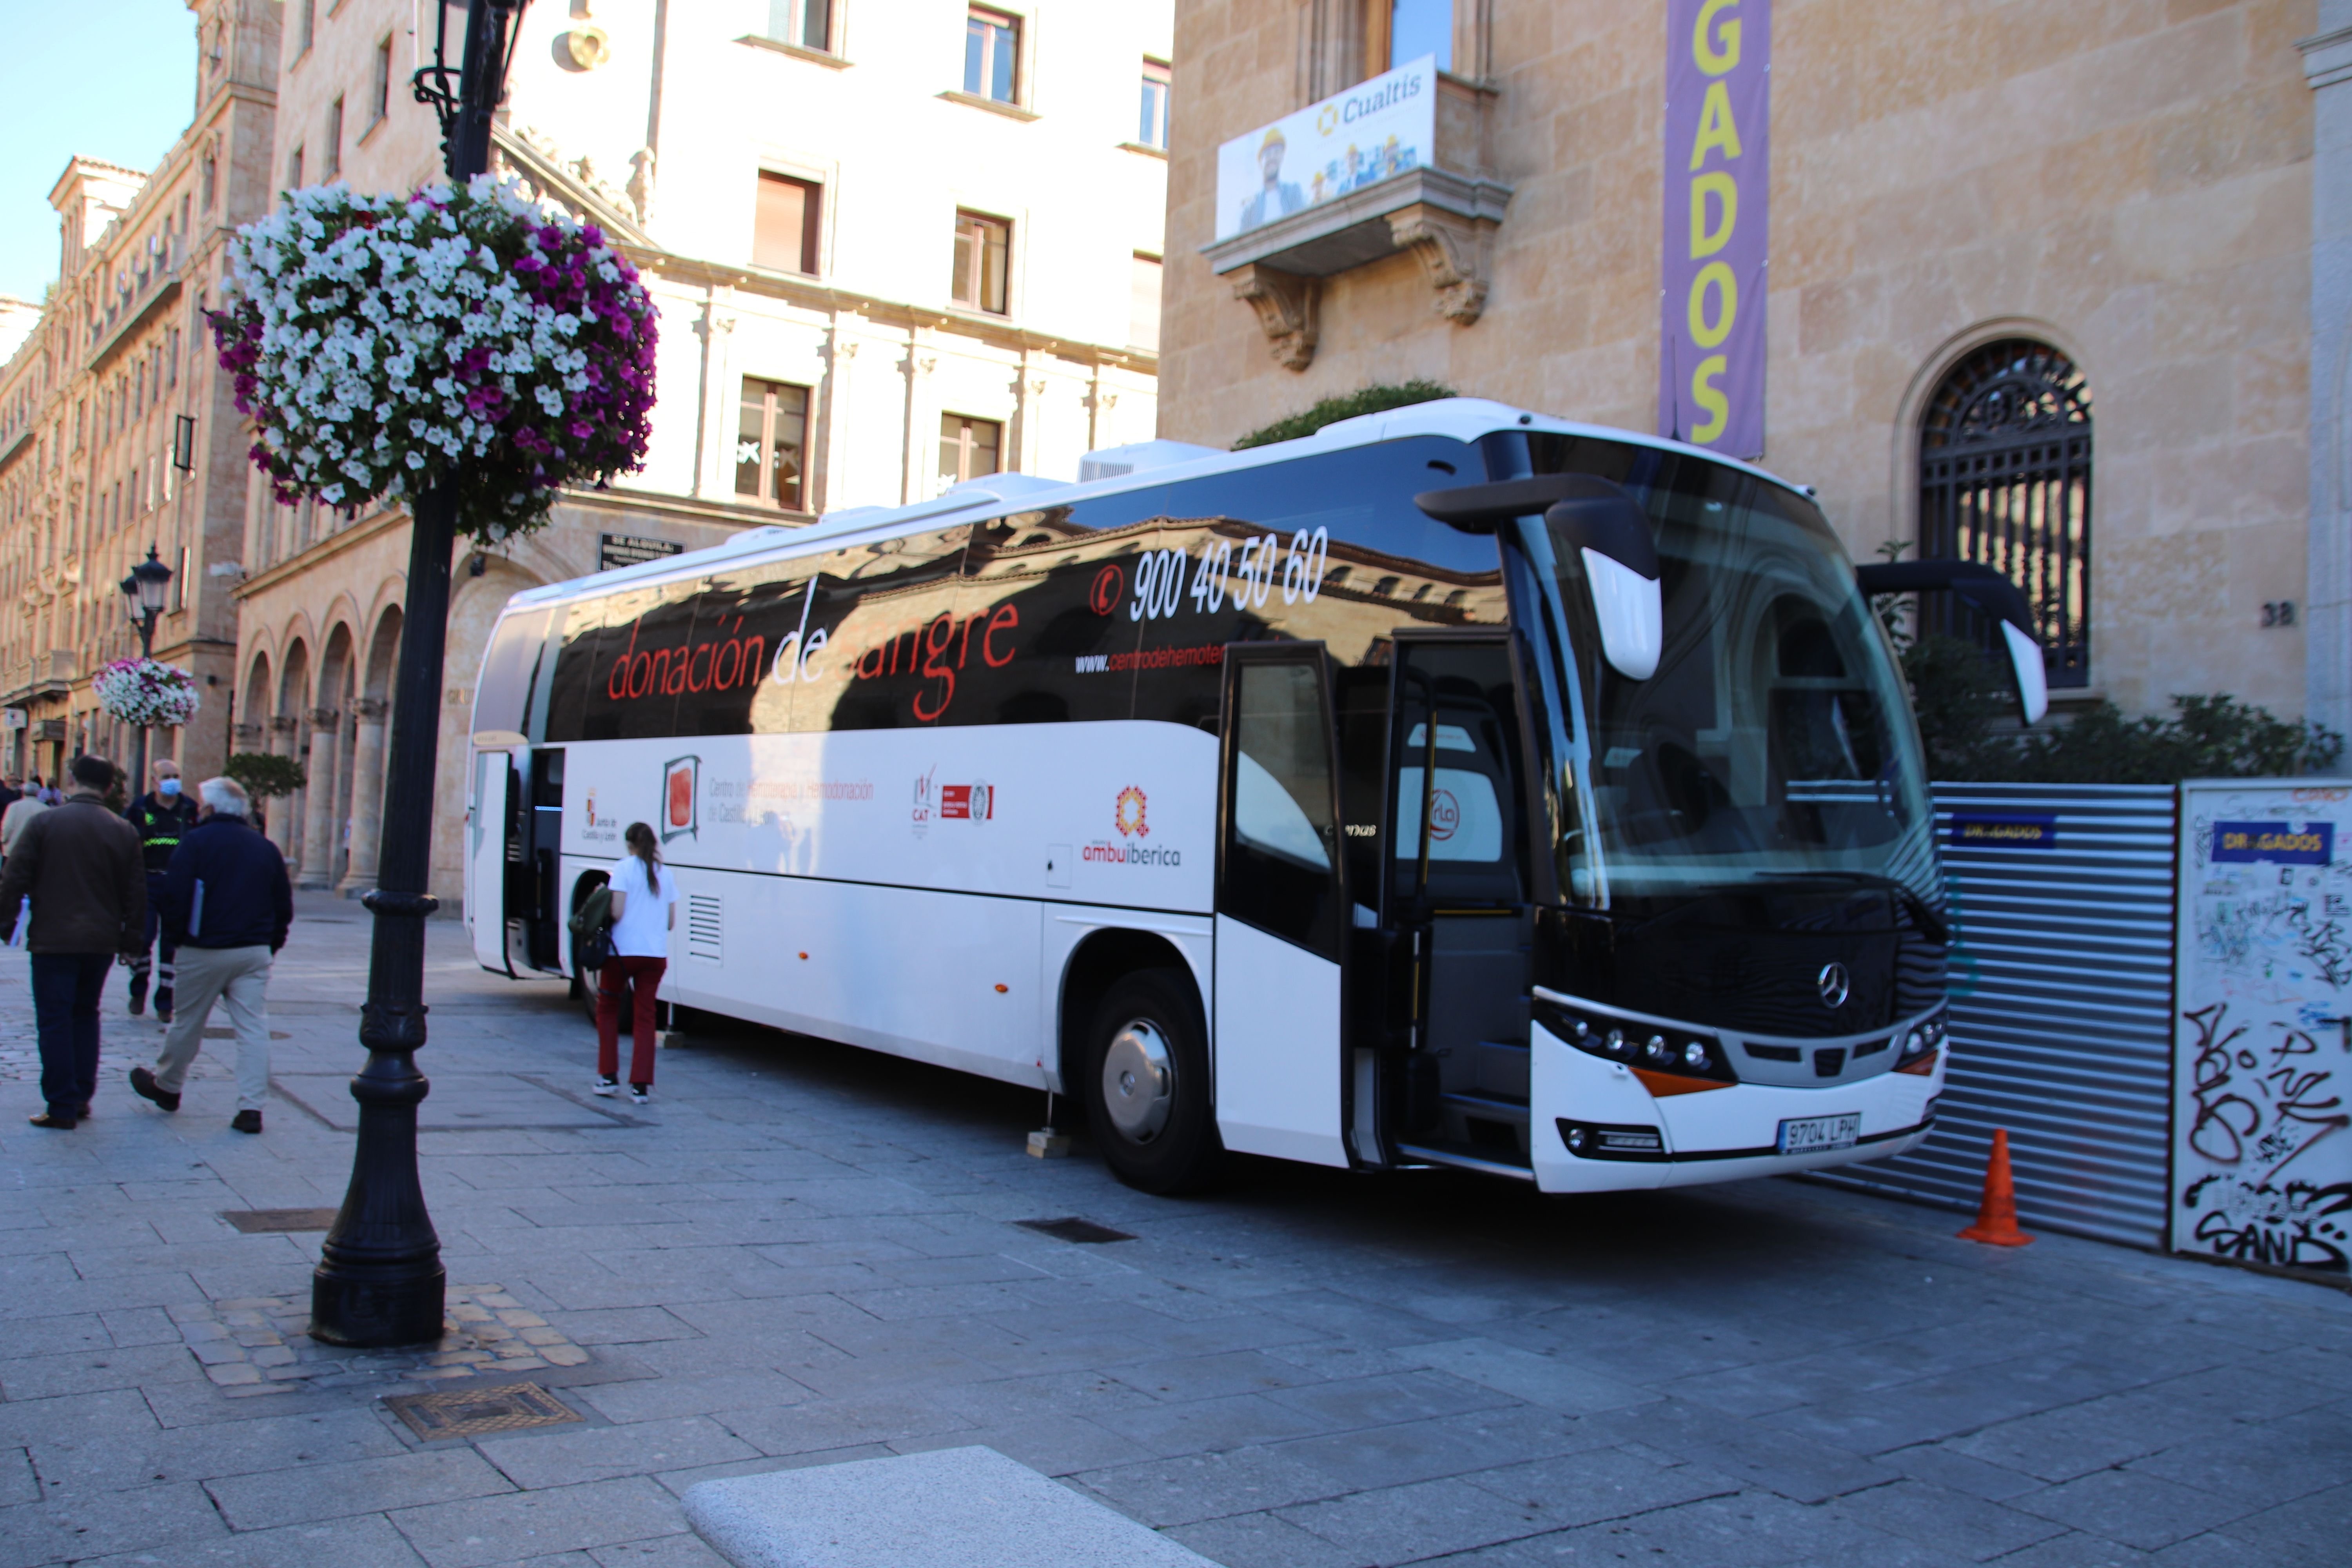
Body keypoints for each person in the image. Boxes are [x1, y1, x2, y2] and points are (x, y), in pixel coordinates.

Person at [128, 777, 292, 1134]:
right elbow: (283, 905)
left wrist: (179, 939)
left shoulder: (196, 843)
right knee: (253, 1028)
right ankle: (251, 1108)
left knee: (188, 1021)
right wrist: (270, 945)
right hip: (252, 951)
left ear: (210, 809)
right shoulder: (265, 848)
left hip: (203, 948)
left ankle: (169, 1087)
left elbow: (176, 896)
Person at [0, 756, 145, 1128]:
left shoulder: (44, 823)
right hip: (100, 941)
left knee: (54, 1020)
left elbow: (14, 878)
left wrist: (7, 923)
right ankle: (81, 1094)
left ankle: (61, 1104)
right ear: (109, 788)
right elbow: (135, 893)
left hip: (53, 938)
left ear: (71, 780)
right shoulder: (124, 830)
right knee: (86, 1015)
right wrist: (132, 941)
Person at [595, 820, 675, 1105]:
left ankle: (607, 1077)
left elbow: (616, 911)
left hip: (622, 953)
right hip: (655, 956)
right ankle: (640, 1086)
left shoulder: (624, 868)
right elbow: (671, 922)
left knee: (607, 1010)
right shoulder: (666, 874)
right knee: (646, 1017)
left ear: (630, 845)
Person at [123, 760, 201, 1020]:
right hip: (147, 881)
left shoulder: (189, 809)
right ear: (154, 781)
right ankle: (138, 988)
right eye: (166, 776)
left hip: (177, 884)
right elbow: (127, 843)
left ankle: (165, 1002)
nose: (172, 780)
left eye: (176, 775)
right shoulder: (140, 809)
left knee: (171, 944)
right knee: (143, 938)